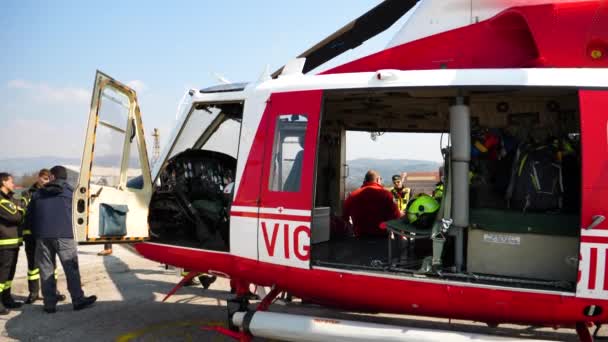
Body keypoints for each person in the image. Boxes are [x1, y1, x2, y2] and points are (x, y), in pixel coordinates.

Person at [26, 165, 96, 313]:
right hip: (65, 235)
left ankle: (49, 304)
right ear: (65, 177)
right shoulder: (71, 192)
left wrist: (37, 233)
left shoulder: (38, 193)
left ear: (52, 176)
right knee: (71, 268)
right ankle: (78, 300)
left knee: (46, 270)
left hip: (42, 236)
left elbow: (29, 217)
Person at [20, 168, 67, 304]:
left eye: (48, 179)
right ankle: (33, 293)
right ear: (39, 178)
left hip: (46, 233)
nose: (46, 181)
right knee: (33, 266)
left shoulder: (51, 193)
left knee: (51, 265)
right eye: (44, 178)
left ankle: (53, 291)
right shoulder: (28, 193)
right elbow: (24, 212)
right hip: (31, 235)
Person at [343, 170, 401, 237]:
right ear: (377, 179)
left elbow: (344, 217)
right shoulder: (387, 195)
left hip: (359, 238)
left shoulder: (353, 195)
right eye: (380, 179)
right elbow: (396, 217)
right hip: (382, 238)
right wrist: (399, 239)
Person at [0, 173, 25, 314]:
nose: (13, 183)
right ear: (3, 182)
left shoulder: (9, 198)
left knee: (9, 274)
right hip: (4, 243)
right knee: (2, 274)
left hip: (13, 242)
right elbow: (15, 216)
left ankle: (6, 298)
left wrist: (19, 207)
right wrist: (20, 209)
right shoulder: (1, 200)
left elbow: (18, 207)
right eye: (11, 181)